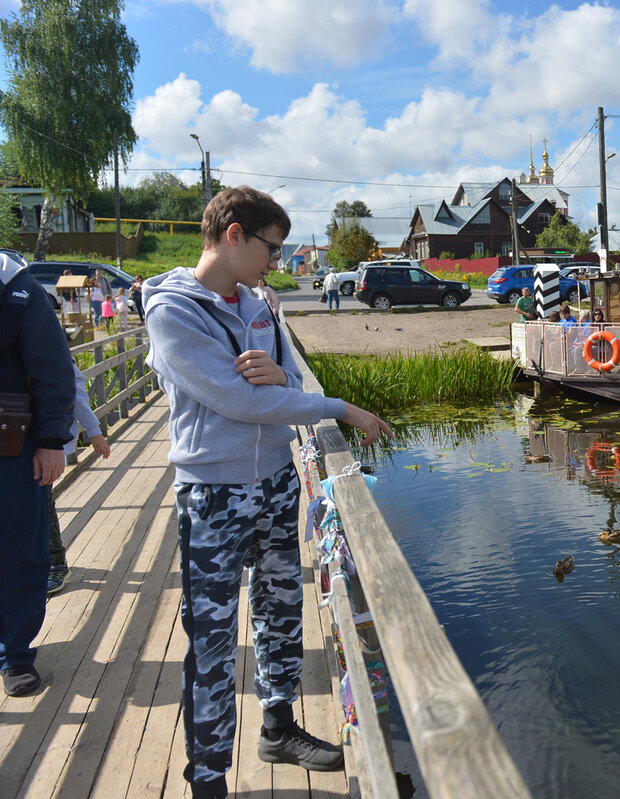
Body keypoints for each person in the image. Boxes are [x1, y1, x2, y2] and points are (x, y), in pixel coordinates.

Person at [143, 185, 394, 799]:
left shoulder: (258, 301)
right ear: (234, 235)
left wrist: (282, 374)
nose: (276, 262)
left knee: (282, 611)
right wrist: (340, 407)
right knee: (212, 640)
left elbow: (275, 376)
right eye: (271, 249)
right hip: (214, 494)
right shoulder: (174, 312)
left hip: (278, 481)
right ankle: (207, 777)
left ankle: (277, 728)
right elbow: (240, 400)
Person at [0, 249, 75, 697]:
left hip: (12, 446)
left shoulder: (15, 285)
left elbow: (52, 367)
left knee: (21, 551)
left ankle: (15, 654)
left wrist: (50, 441)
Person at [47, 363, 112, 594]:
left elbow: (74, 391)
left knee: (42, 503)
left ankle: (56, 563)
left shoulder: (46, 342)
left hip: (42, 442)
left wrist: (94, 431)